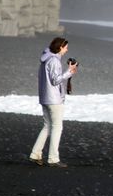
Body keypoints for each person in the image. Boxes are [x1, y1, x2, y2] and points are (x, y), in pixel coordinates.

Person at [28, 37, 78, 168]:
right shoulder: (54, 61)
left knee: (47, 126)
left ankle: (35, 154)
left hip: (45, 97)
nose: (67, 50)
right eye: (66, 47)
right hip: (54, 99)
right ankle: (53, 158)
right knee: (57, 127)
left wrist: (67, 72)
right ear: (60, 47)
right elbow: (56, 80)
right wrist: (69, 72)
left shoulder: (45, 59)